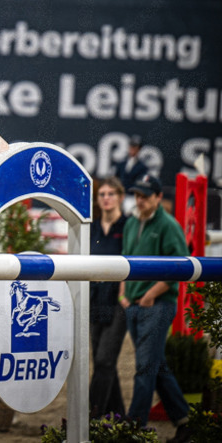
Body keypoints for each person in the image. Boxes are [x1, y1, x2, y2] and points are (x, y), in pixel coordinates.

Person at [120, 174, 191, 443]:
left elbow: (180, 267)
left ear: (159, 197)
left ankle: (133, 425)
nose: (140, 200)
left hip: (157, 304)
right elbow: (125, 260)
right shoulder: (131, 224)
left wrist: (150, 294)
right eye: (137, 195)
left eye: (145, 195)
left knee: (145, 368)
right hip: (135, 304)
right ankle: (185, 420)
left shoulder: (169, 226)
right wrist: (123, 294)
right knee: (155, 366)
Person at [89, 177, 129, 418]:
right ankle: (121, 418)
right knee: (103, 362)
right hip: (95, 299)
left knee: (104, 361)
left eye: (110, 193)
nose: (105, 198)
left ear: (120, 197)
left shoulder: (129, 226)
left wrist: (125, 295)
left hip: (118, 300)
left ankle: (90, 418)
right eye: (102, 194)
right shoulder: (92, 227)